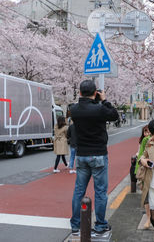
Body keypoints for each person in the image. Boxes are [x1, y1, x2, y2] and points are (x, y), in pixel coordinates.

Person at [69, 80, 119, 237]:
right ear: (95, 93)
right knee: (100, 192)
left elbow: (84, 107)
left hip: (81, 155)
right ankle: (100, 225)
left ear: (79, 93)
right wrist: (104, 100)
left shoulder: (74, 110)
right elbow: (114, 115)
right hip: (98, 154)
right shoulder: (100, 109)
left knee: (79, 190)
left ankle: (76, 226)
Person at [134, 122, 154, 229]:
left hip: (146, 170)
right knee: (148, 195)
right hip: (145, 170)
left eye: (148, 131)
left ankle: (150, 218)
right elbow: (142, 154)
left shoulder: (150, 140)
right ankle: (150, 218)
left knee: (148, 195)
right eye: (145, 131)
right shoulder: (146, 140)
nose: (147, 133)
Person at [67, 110, 77, 174]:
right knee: (78, 156)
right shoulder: (80, 126)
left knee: (72, 156)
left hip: (72, 143)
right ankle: (77, 168)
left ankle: (71, 168)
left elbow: (68, 135)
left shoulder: (70, 127)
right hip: (79, 143)